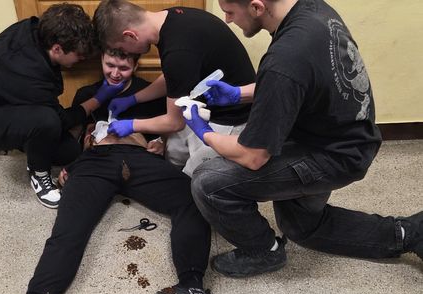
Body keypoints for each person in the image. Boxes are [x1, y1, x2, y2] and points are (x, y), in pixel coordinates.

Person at [177, 0, 422, 277]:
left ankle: (262, 252)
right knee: (301, 227)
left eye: (230, 12)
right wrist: (238, 94)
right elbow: (294, 79)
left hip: (333, 155)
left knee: (208, 181)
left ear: (257, 7)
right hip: (347, 136)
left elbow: (252, 156)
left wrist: (204, 132)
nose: (228, 20)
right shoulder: (312, 10)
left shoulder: (286, 55)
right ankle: (409, 233)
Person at [0, 122, 228, 294]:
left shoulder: (144, 97)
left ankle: (191, 290)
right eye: (111, 70)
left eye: (123, 72)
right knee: (69, 231)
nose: (116, 76)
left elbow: (169, 125)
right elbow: (64, 135)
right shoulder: (90, 96)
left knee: (193, 199)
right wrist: (71, 164)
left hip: (142, 159)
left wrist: (160, 143)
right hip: (93, 161)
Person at [0, 4, 125, 208]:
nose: (82, 59)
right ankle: (39, 174)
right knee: (47, 121)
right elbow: (59, 120)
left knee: (68, 152)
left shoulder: (34, 28)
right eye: (79, 55)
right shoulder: (28, 73)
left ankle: (20, 138)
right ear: (57, 48)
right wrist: (98, 98)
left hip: (4, 102)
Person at [92, 0, 256, 175]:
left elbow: (174, 122)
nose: (125, 52)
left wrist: (132, 125)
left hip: (231, 119)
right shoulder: (171, 19)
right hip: (200, 109)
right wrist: (134, 99)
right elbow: (176, 76)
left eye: (121, 47)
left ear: (130, 35)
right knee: (172, 157)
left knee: (195, 179)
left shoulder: (177, 49)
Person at [71, 47, 166, 152]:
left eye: (123, 68)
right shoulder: (86, 95)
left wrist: (160, 144)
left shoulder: (153, 94)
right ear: (102, 60)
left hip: (138, 156)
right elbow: (74, 137)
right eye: (110, 65)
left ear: (135, 66)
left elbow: (166, 131)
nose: (114, 74)